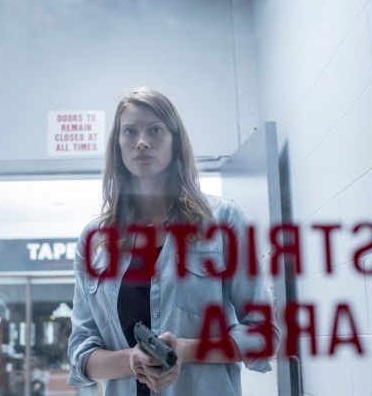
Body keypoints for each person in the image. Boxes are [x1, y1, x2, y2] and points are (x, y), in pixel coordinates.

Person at [67, 87, 280, 396]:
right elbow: (81, 351)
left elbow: (263, 335)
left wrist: (185, 350)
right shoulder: (94, 241)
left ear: (175, 142)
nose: (142, 141)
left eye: (155, 130)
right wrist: (131, 361)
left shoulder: (223, 221)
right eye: (130, 131)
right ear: (118, 145)